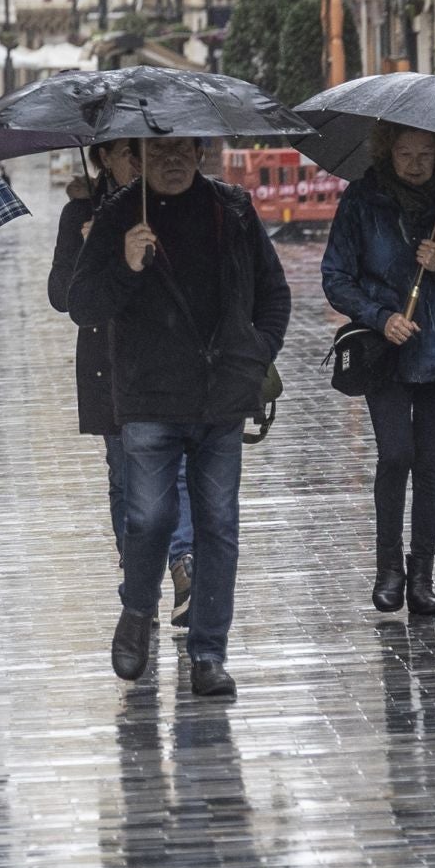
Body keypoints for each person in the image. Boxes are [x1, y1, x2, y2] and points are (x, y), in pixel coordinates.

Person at [67, 136, 291, 698]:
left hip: (220, 399)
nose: (171, 161)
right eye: (157, 152)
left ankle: (209, 653)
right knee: (148, 518)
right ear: (137, 159)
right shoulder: (119, 215)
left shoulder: (232, 210)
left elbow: (274, 293)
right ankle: (138, 609)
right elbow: (82, 305)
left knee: (218, 525)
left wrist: (255, 355)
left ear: (199, 153)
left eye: (182, 150)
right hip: (148, 397)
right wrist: (124, 262)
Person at [321, 123, 435, 615]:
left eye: (425, 153)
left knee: (430, 465)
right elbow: (335, 276)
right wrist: (381, 317)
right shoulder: (363, 198)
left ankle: (422, 575)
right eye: (405, 153)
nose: (416, 163)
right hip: (386, 354)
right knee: (395, 454)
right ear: (388, 152)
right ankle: (388, 570)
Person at [47, 140, 197, 626]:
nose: (135, 161)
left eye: (142, 151)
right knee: (123, 474)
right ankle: (140, 577)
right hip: (105, 361)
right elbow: (61, 297)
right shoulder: (80, 213)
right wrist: (94, 248)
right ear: (104, 159)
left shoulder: (177, 205)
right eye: (123, 152)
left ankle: (183, 565)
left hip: (165, 356)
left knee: (170, 468)